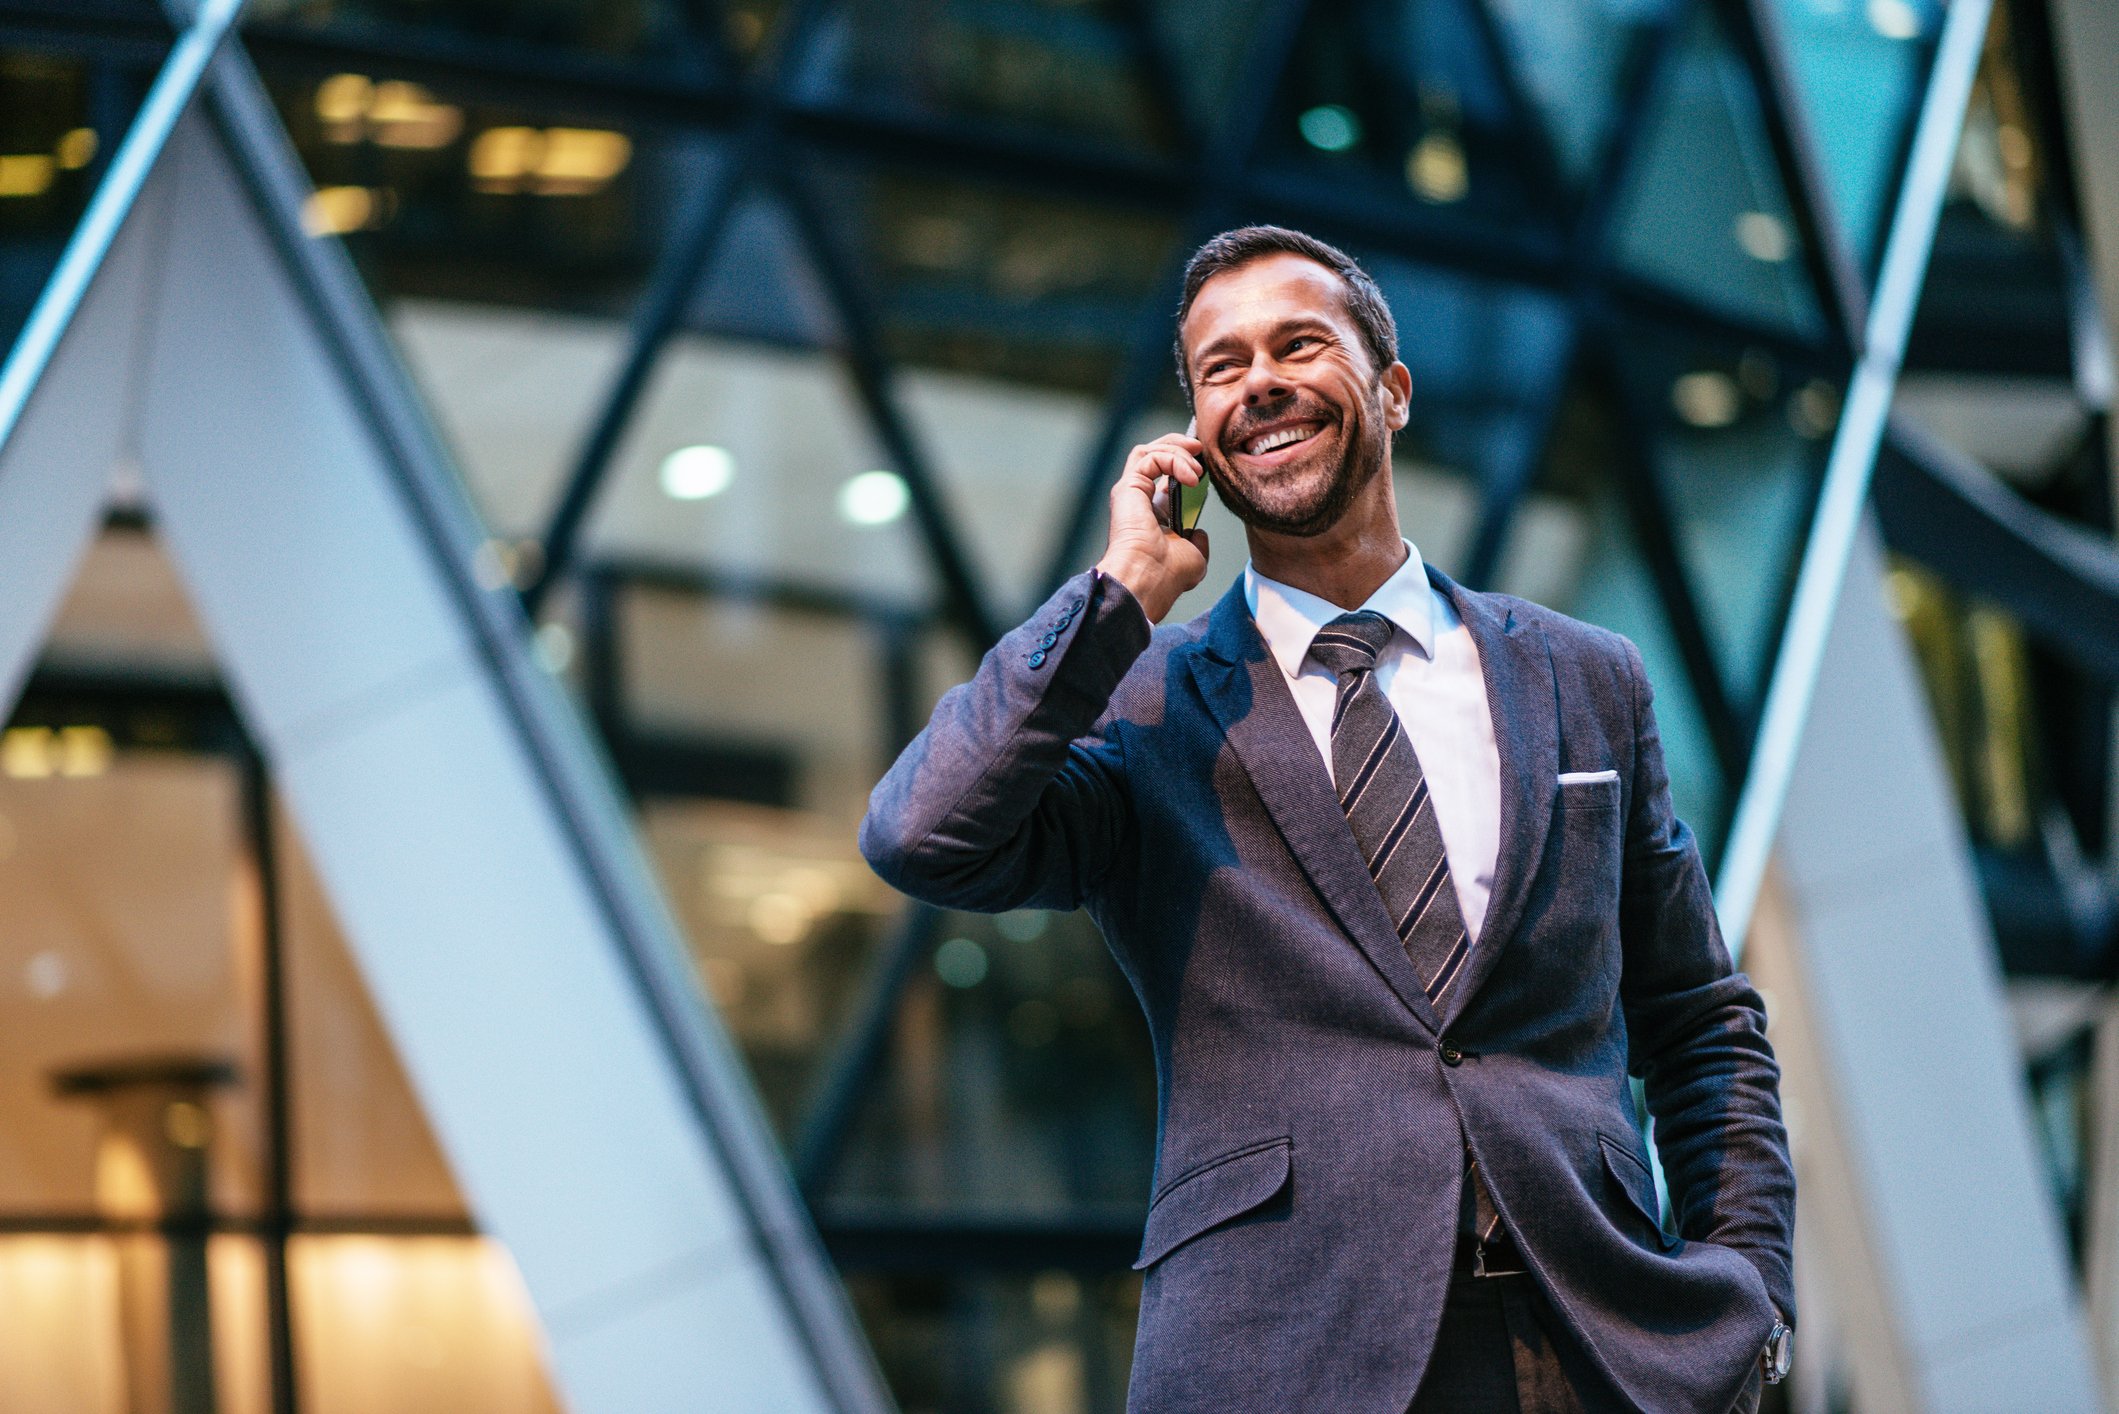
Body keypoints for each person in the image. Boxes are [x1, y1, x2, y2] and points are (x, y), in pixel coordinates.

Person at [860, 226, 1794, 1413]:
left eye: (1298, 344)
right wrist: (1120, 593)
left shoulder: (1584, 675)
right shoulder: (1144, 704)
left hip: (1597, 1346)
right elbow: (922, 833)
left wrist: (1749, 1296)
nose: (1259, 382)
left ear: (1390, 391)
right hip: (1277, 1357)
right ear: (1197, 432)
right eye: (1222, 366)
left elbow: (1700, 1021)